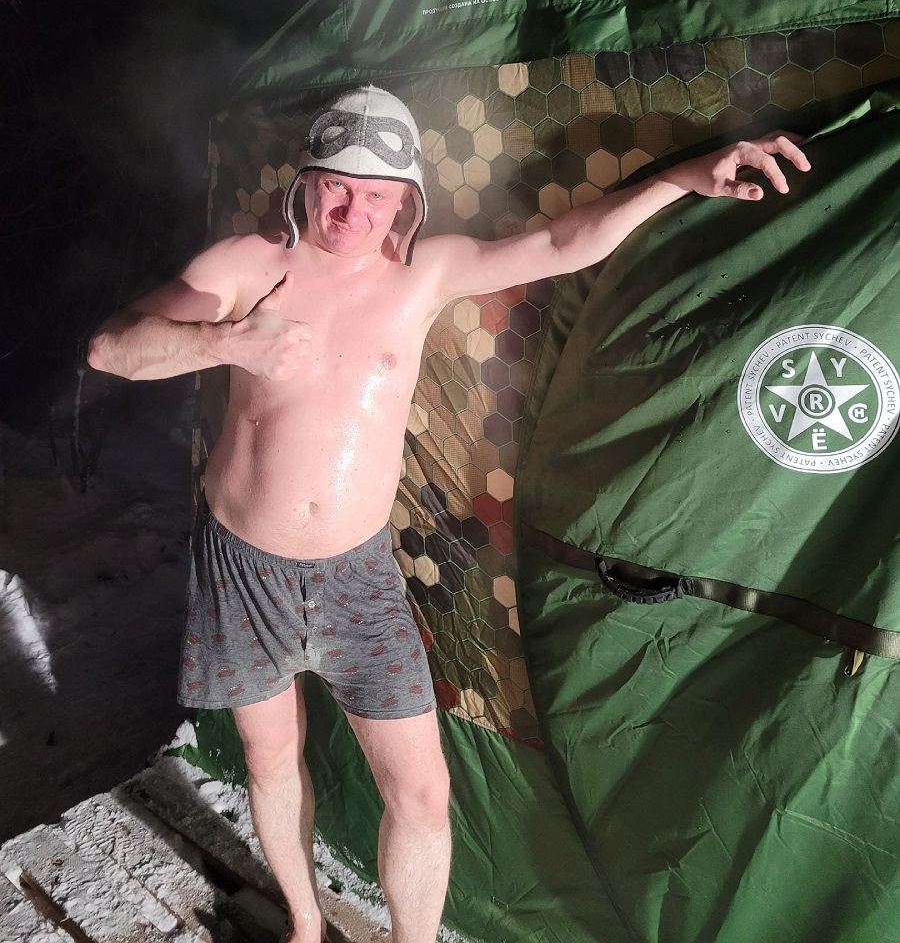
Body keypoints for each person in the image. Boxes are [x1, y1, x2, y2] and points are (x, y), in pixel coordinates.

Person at [88, 85, 808, 943]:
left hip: (355, 573)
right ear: (306, 181)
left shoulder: (422, 274)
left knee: (423, 792)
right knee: (270, 756)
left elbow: (560, 243)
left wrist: (684, 178)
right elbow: (112, 348)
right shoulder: (251, 265)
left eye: (377, 194)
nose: (353, 212)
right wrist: (228, 339)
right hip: (243, 564)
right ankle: (306, 925)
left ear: (407, 202)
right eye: (337, 187)